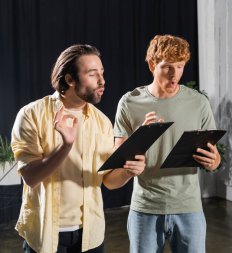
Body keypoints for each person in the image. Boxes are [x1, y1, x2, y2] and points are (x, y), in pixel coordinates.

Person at [11, 44, 145, 253]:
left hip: (90, 235)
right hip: (46, 235)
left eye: (102, 73)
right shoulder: (31, 115)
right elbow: (30, 177)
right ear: (70, 80)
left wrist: (128, 171)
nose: (102, 81)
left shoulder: (101, 122)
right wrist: (66, 146)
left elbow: (109, 181)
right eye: (92, 75)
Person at [113, 34, 221, 253]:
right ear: (152, 65)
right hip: (145, 208)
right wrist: (141, 137)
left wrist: (214, 162)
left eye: (180, 67)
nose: (175, 75)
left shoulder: (198, 102)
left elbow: (215, 157)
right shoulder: (129, 102)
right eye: (167, 67)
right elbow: (118, 161)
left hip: (189, 207)